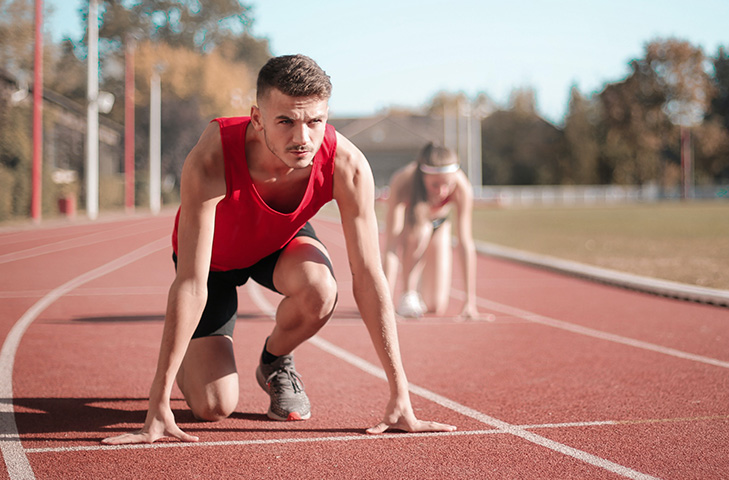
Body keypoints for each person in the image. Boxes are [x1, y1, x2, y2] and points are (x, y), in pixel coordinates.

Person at [102, 54, 455, 445]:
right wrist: (158, 402)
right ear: (257, 118)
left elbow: (369, 277)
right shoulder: (212, 156)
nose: (302, 138)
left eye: (314, 121)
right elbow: (190, 282)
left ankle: (274, 362)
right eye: (285, 121)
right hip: (213, 262)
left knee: (322, 289)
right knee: (214, 407)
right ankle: (188, 354)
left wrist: (400, 395)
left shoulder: (347, 165)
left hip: (277, 243)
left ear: (326, 116)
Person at [382, 143, 491, 321]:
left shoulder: (462, 186)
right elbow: (391, 247)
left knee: (435, 306)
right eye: (435, 185)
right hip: (413, 227)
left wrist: (469, 302)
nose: (442, 192)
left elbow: (465, 243)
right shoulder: (403, 181)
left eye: (447, 185)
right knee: (421, 232)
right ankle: (408, 294)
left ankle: (421, 292)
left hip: (440, 225)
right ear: (423, 178)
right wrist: (383, 303)